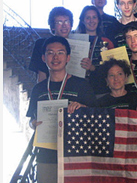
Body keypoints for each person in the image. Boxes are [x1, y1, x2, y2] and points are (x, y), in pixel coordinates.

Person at [26, 36, 96, 183]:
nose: (55, 57)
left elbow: (96, 117)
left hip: (77, 153)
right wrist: (33, 124)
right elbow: (31, 121)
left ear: (68, 57)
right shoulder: (38, 89)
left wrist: (83, 108)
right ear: (44, 58)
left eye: (61, 52)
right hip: (47, 155)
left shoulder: (82, 85)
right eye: (50, 53)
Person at [75, 5, 115, 96]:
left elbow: (112, 68)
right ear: (82, 20)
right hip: (79, 89)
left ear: (98, 20)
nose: (91, 21)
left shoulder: (107, 41)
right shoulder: (75, 41)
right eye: (88, 18)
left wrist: (93, 68)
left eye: (94, 17)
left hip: (101, 89)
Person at [28, 6, 73, 82]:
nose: (64, 25)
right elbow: (41, 76)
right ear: (53, 27)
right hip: (51, 87)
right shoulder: (41, 44)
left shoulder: (80, 45)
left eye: (67, 21)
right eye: (59, 22)